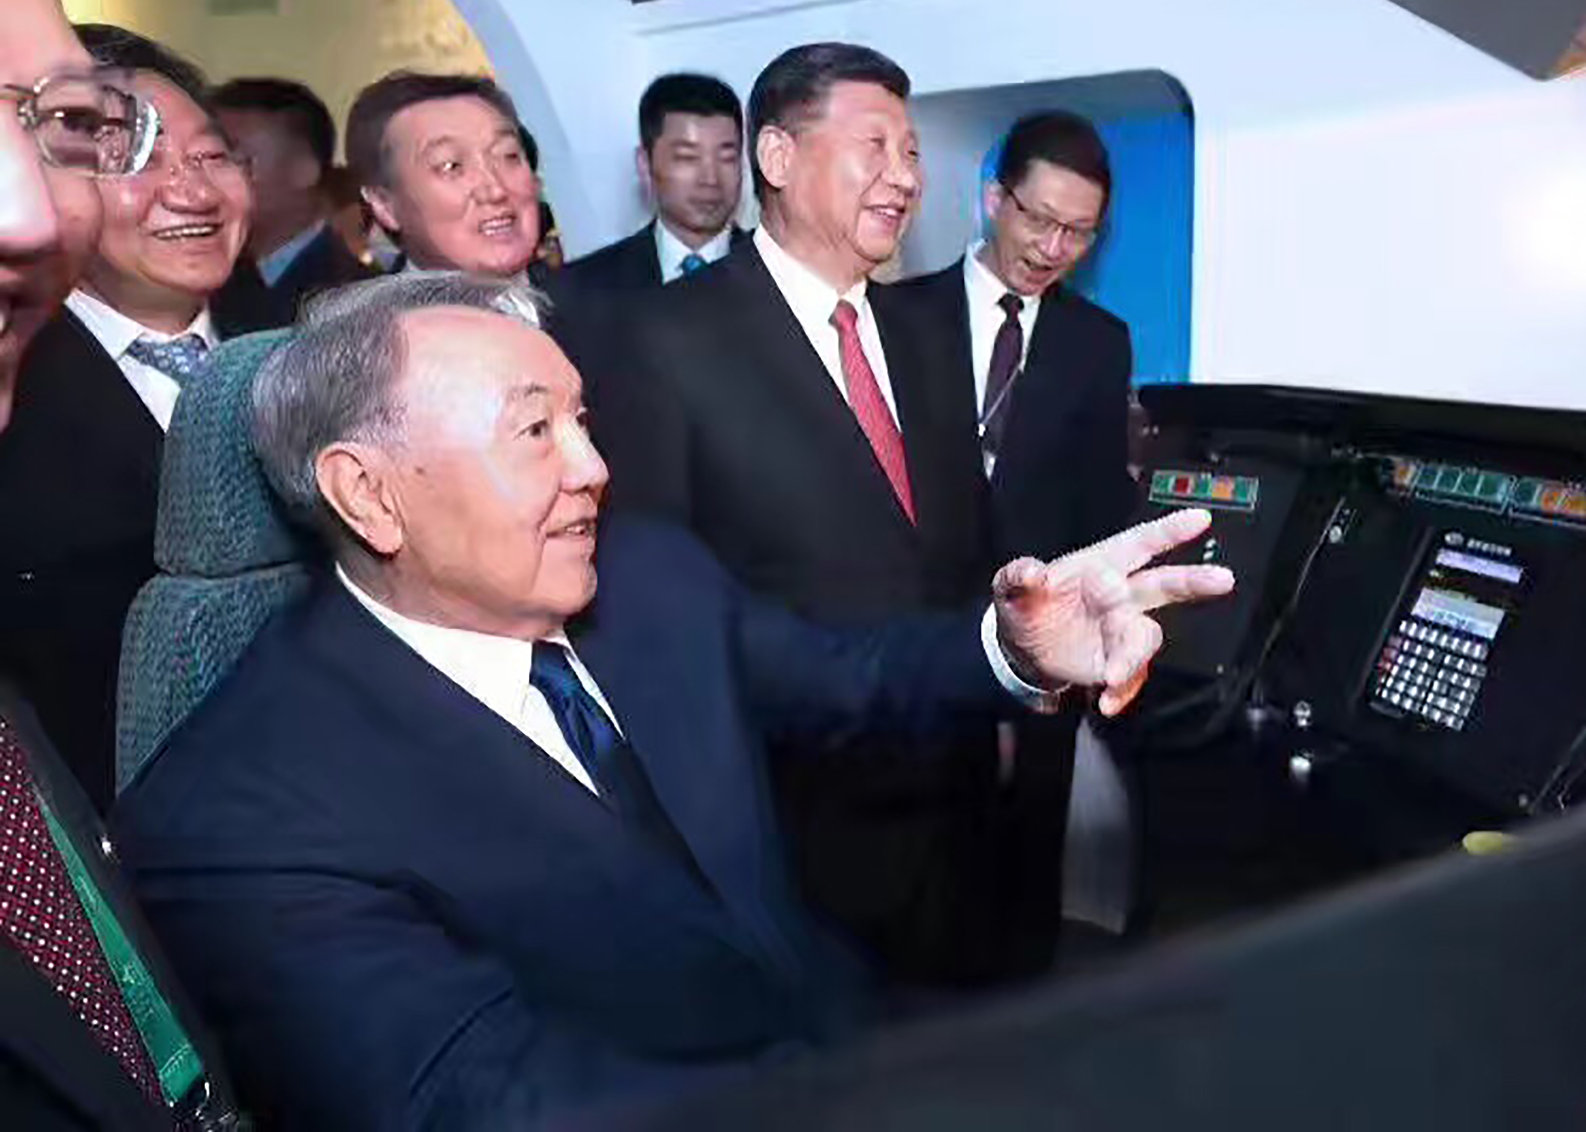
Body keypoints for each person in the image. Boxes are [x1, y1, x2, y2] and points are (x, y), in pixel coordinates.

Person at [112, 271, 1232, 1128]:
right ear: (367, 493)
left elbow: (847, 675)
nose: (593, 466)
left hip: (853, 1028)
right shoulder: (235, 818)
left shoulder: (649, 577)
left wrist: (1018, 649)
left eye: (582, 419)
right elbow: (494, 1101)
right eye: (535, 430)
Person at [579, 43, 1010, 984]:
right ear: (776, 157)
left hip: (955, 795)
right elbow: (656, 608)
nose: (905, 177)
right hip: (790, 815)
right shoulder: (661, 339)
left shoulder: (930, 331)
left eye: (912, 152)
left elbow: (958, 546)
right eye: (875, 146)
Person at [0, 0, 239, 1131]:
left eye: (53, 122)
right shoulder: (37, 409)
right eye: (134, 149)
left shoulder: (298, 356)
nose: (28, 212)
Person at [887, 110, 1138, 975]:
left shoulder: (1099, 344)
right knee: (923, 856)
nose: (1052, 247)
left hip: (1044, 645)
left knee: (1029, 852)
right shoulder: (893, 317)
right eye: (1039, 219)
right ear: (995, 198)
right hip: (916, 630)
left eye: (1078, 232)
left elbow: (1101, 503)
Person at [0, 25, 260, 807]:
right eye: (135, 158)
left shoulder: (312, 345)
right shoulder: (16, 389)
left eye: (211, 156)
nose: (193, 193)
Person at [343, 70, 542, 279]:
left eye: (509, 155)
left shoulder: (565, 291)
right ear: (385, 205)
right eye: (451, 166)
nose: (495, 190)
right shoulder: (375, 301)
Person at [210, 77, 374, 326]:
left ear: (304, 170)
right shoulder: (211, 275)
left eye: (233, 158)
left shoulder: (355, 298)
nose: (208, 178)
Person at [573, 72, 753, 290]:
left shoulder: (779, 275)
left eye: (727, 158)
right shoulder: (582, 287)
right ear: (644, 164)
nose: (710, 179)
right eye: (688, 157)